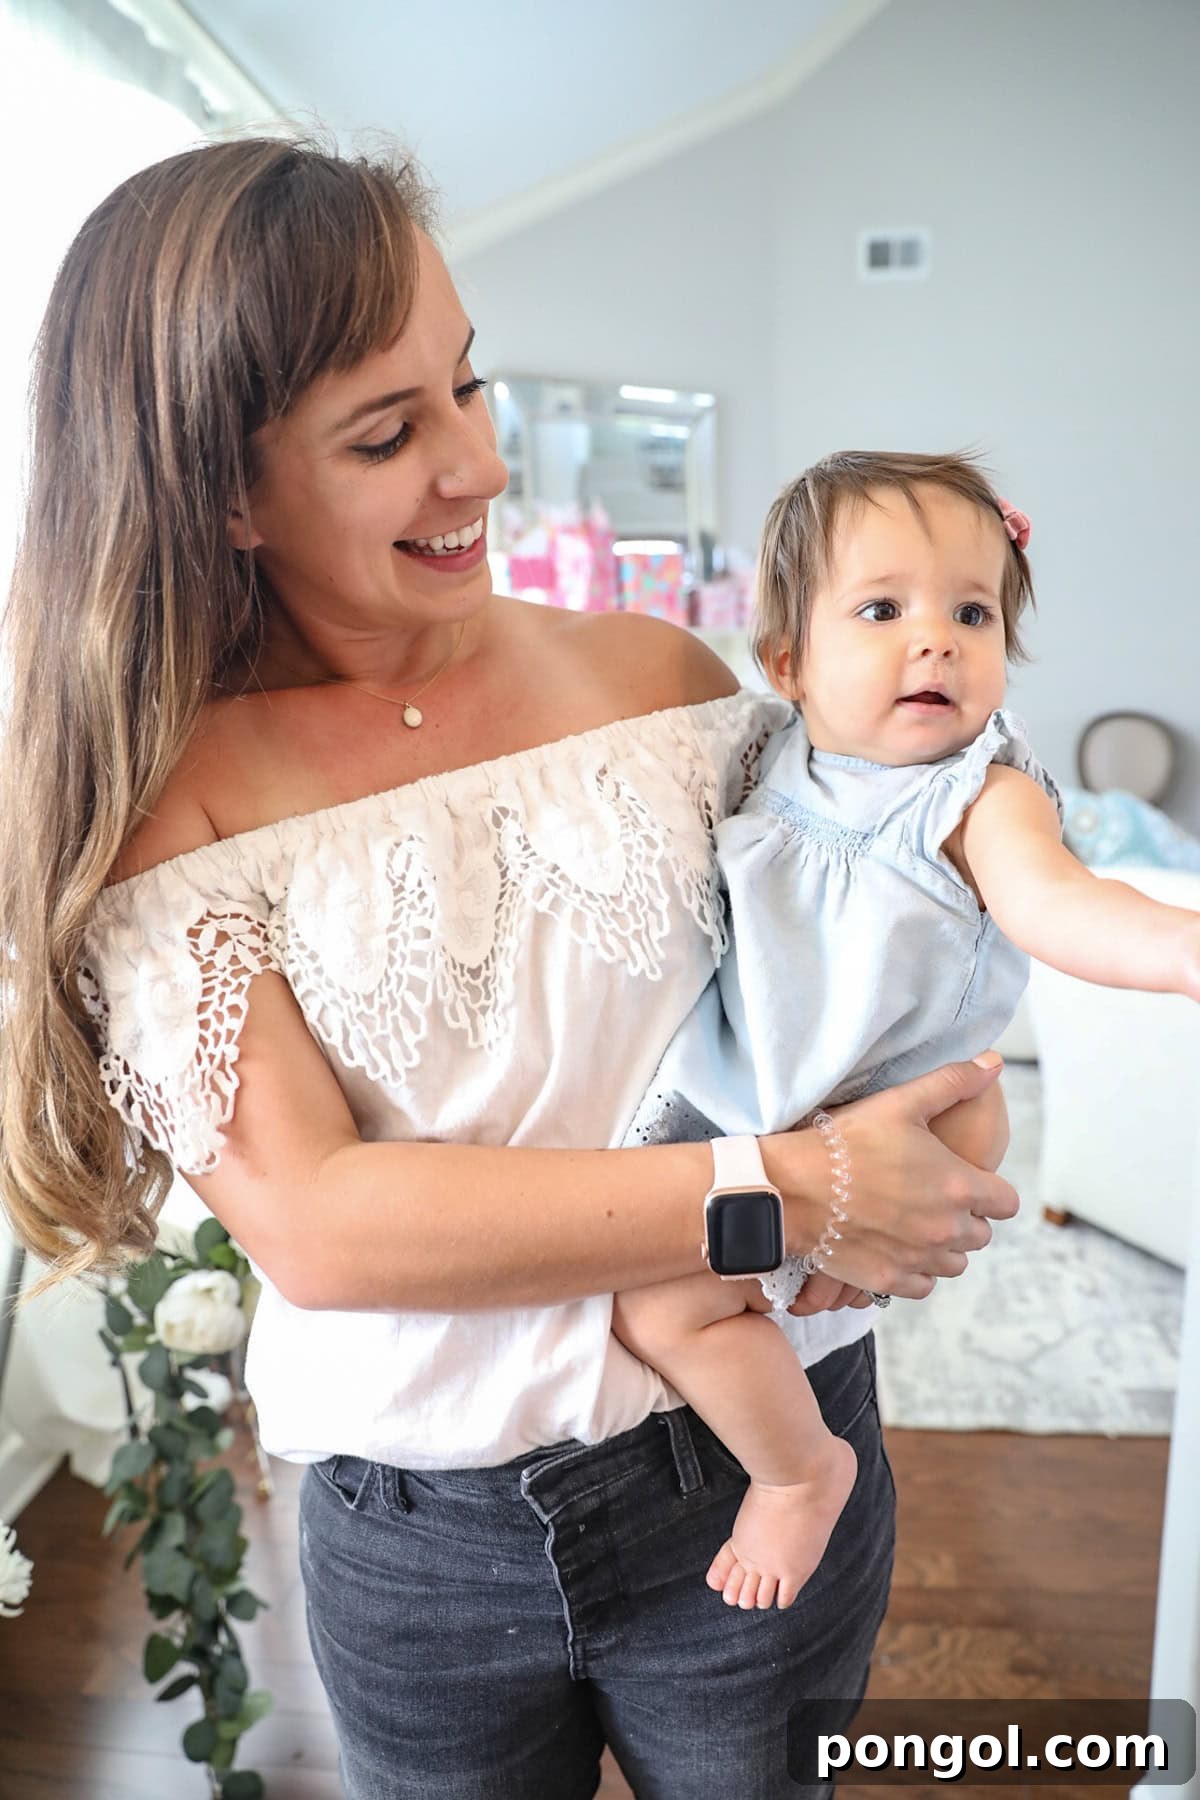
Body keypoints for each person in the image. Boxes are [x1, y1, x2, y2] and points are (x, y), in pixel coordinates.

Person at [0, 140, 1022, 1800]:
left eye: (465, 383)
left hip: (761, 1457)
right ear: (219, 486)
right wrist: (789, 1186)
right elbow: (326, 1229)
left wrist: (941, 1126)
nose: (479, 465)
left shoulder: (658, 681)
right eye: (389, 435)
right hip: (427, 1543)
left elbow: (884, 904)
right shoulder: (167, 803)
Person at [608, 451, 1200, 1620]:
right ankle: (805, 1454)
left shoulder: (983, 790)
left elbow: (1057, 904)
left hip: (925, 1097)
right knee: (662, 1302)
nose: (936, 640)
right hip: (761, 1100)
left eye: (971, 612)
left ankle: (798, 1473)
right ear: (786, 663)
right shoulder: (768, 762)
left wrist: (1180, 946)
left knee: (962, 1124)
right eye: (883, 609)